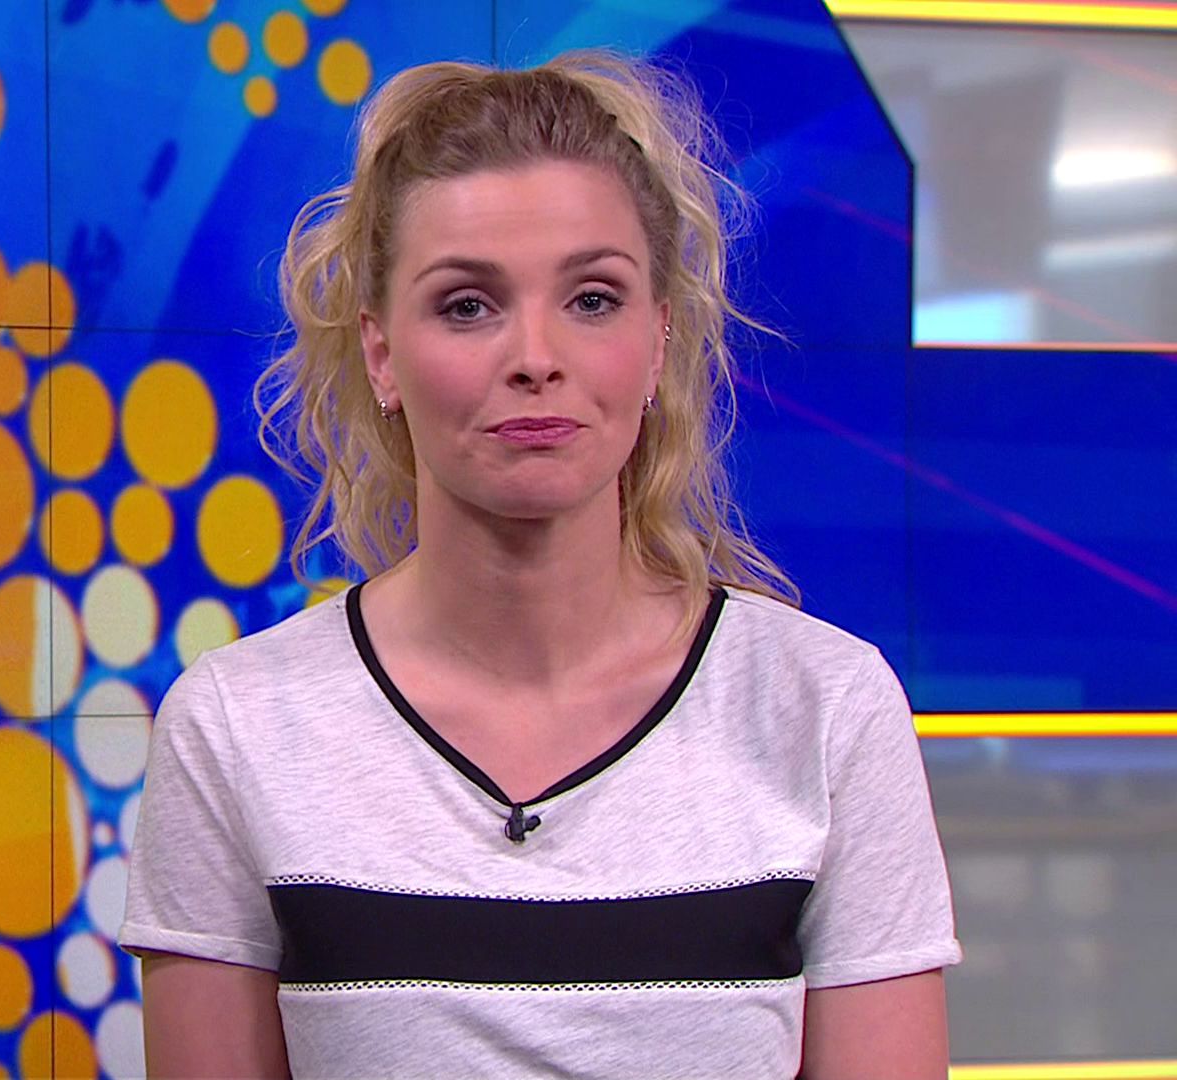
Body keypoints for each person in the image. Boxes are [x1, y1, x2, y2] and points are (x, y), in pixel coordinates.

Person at [117, 48, 961, 1080]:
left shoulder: (825, 709)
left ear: (658, 339)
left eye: (593, 299)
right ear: (381, 354)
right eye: (467, 305)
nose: (535, 357)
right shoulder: (240, 724)